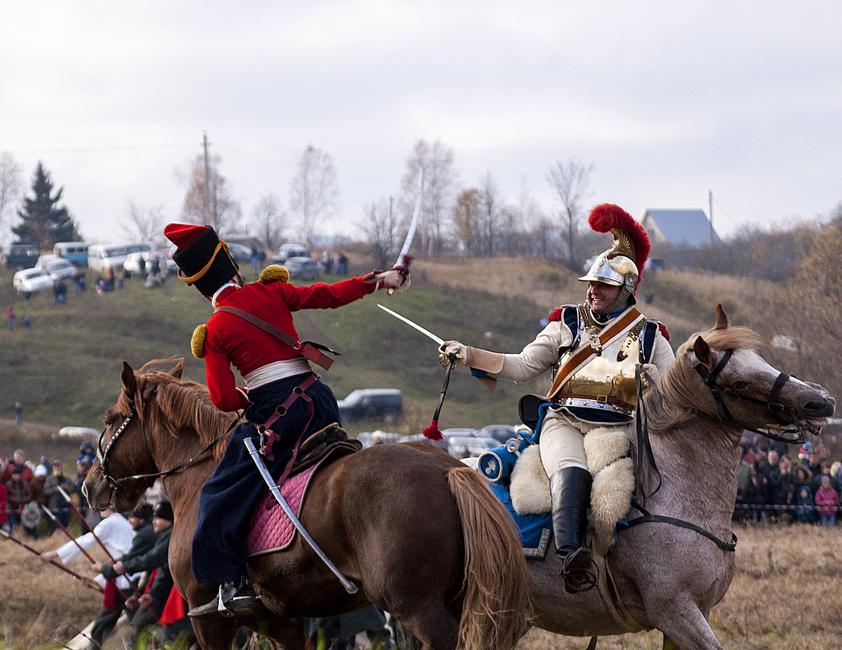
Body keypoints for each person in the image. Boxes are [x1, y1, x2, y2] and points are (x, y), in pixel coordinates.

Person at [162, 223, 407, 618]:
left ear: (201, 288)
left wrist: (247, 396)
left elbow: (224, 400)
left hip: (277, 416)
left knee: (219, 492)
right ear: (232, 266)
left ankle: (232, 584)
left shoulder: (216, 329)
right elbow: (328, 295)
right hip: (321, 403)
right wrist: (378, 280)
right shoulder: (271, 289)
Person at [438, 204, 674, 594]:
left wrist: (653, 380)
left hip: (618, 429)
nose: (592, 290)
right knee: (571, 468)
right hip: (563, 421)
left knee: (618, 494)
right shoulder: (565, 322)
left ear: (626, 290)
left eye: (603, 285)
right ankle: (571, 556)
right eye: (590, 283)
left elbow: (671, 390)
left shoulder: (651, 336)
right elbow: (522, 365)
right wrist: (469, 354)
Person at [88, 502, 157, 647]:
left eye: (132, 517)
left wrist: (104, 569)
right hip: (130, 584)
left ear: (141, 519)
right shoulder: (147, 531)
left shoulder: (145, 534)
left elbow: (132, 559)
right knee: (111, 621)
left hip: (130, 585)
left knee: (140, 622)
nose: (129, 521)